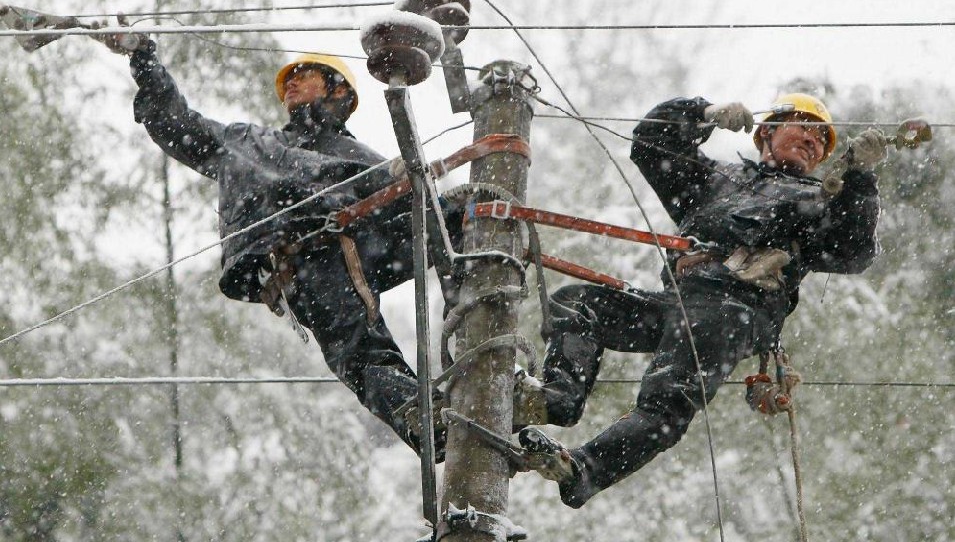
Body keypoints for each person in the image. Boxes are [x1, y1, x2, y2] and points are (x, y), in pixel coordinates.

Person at [514, 93, 886, 507]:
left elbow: (854, 251)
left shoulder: (820, 203)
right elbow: (650, 144)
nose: (813, 140)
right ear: (767, 132)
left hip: (735, 308)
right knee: (580, 303)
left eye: (821, 139)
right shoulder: (715, 180)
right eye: (803, 127)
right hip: (679, 300)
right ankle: (557, 397)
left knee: (667, 400)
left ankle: (585, 468)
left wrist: (860, 182)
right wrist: (702, 114)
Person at [98, 34, 460, 457]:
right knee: (360, 351)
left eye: (303, 76)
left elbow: (405, 209)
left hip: (357, 251)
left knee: (459, 214)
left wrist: (410, 183)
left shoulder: (358, 155)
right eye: (289, 79)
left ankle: (479, 330)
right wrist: (144, 61)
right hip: (303, 265)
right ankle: (424, 418)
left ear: (338, 89)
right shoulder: (249, 144)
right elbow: (176, 122)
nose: (290, 84)